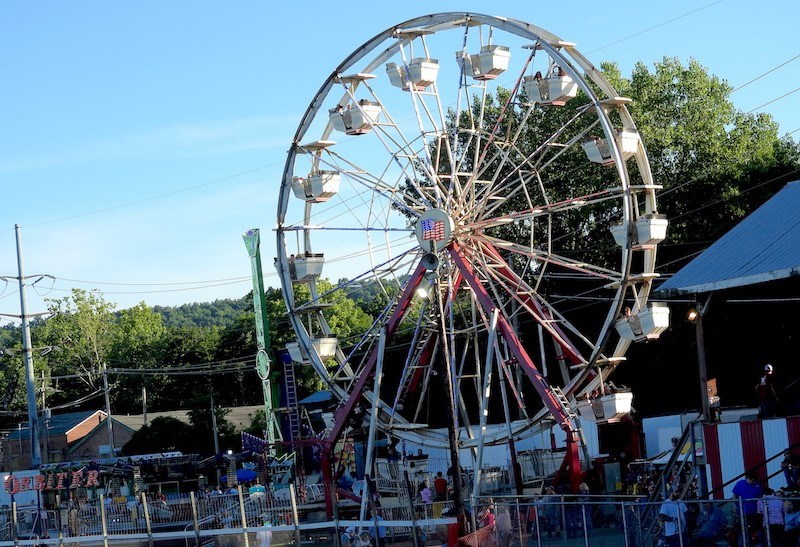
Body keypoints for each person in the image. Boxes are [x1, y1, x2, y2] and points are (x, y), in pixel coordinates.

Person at [732, 471, 763, 542]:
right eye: (752, 480)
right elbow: (734, 496)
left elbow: (760, 497)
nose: (753, 481)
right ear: (747, 478)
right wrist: (734, 507)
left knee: (754, 529)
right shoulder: (740, 483)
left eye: (754, 480)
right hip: (742, 511)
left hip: (755, 512)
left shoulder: (758, 485)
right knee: (742, 529)